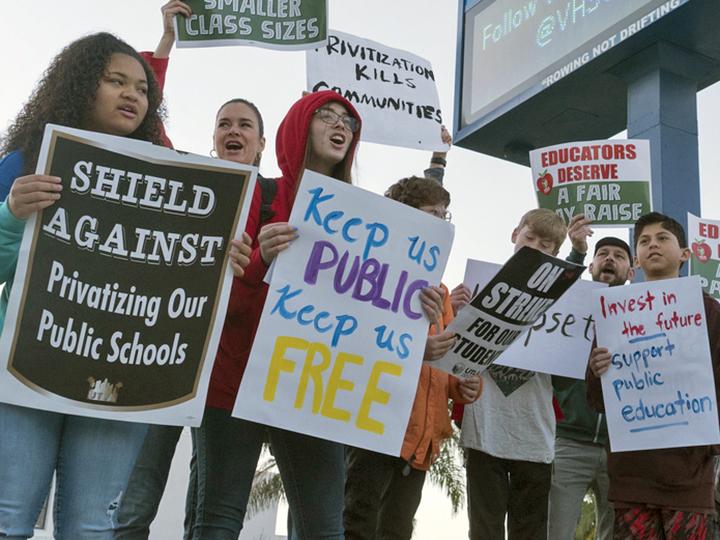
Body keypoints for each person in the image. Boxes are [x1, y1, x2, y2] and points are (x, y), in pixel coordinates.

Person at [0, 32, 165, 540]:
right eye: (116, 81)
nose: (132, 95)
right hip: (30, 362)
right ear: (79, 85)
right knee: (7, 518)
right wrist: (10, 215)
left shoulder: (165, 180)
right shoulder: (24, 163)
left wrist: (220, 260)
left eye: (142, 87)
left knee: (91, 528)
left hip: (121, 374)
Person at [343, 176, 483, 540]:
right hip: (373, 430)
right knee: (356, 527)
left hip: (419, 443)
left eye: (445, 214)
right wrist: (414, 352)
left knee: (396, 532)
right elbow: (354, 344)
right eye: (432, 213)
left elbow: (446, 365)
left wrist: (464, 384)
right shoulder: (370, 273)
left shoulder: (442, 293)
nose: (442, 222)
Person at [452, 209, 589, 540]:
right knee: (484, 530)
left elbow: (569, 372)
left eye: (546, 246)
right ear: (515, 235)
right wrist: (452, 309)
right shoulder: (479, 285)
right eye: (529, 238)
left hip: (535, 435)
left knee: (530, 532)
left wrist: (580, 251)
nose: (535, 248)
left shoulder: (563, 301)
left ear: (555, 254)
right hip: (484, 431)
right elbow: (450, 355)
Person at [587, 212, 720, 539]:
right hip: (631, 476)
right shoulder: (614, 312)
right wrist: (596, 370)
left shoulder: (711, 312)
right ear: (637, 258)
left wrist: (710, 447)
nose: (653, 245)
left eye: (663, 239)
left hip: (689, 477)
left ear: (685, 254)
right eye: (644, 241)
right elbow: (597, 400)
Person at [549, 236, 635, 540]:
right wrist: (576, 250)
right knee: (555, 531)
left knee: (616, 533)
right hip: (569, 440)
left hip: (621, 448)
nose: (610, 259)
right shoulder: (571, 305)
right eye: (603, 254)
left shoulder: (642, 314)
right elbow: (553, 286)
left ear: (631, 271)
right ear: (591, 266)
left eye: (619, 255)